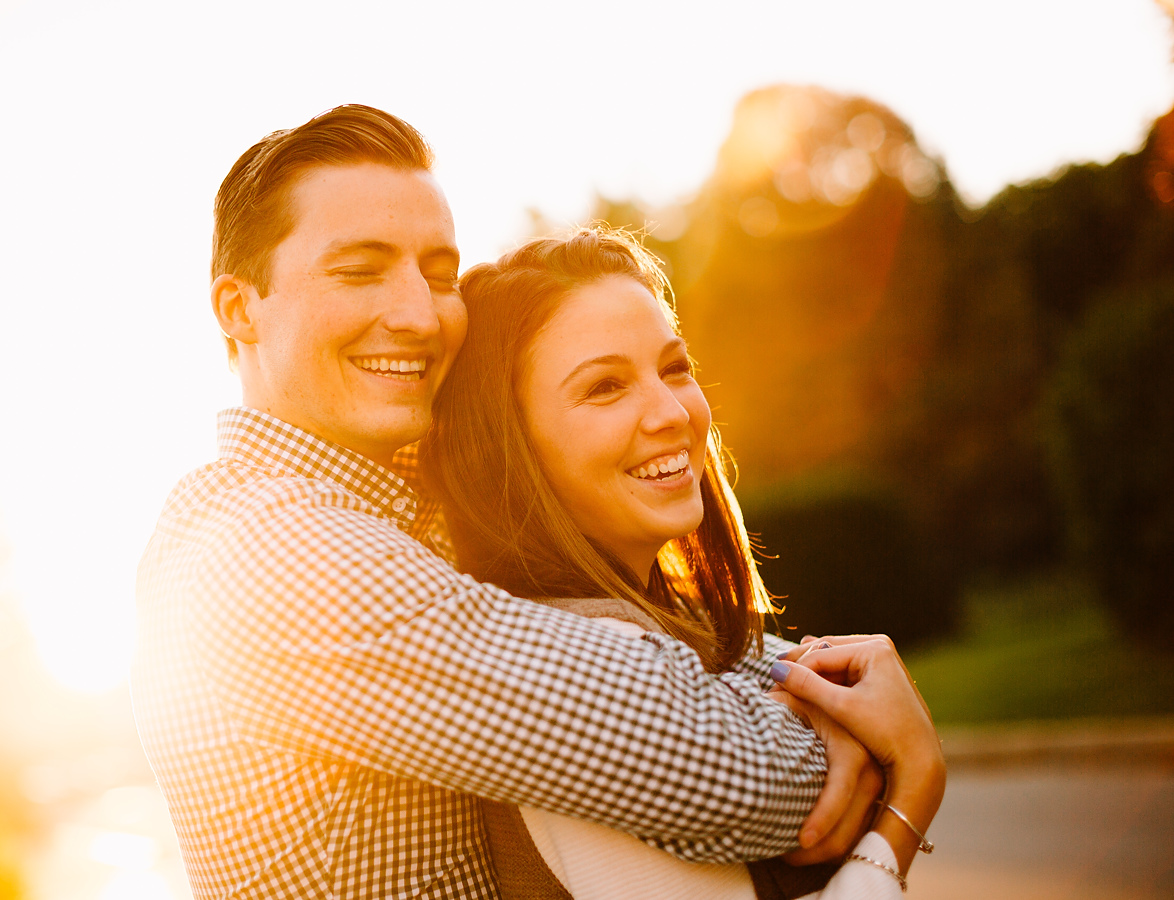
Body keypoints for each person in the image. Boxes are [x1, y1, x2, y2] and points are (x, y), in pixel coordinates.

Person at [131, 105, 881, 900]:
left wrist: (819, 668)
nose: (419, 314)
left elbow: (599, 610)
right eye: (360, 270)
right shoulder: (268, 552)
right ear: (239, 308)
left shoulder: (381, 514)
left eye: (440, 274)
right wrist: (865, 727)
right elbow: (715, 768)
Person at [421, 228, 946, 898]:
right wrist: (908, 803)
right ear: (504, 446)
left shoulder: (668, 628)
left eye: (674, 368)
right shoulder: (588, 658)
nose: (672, 412)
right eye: (606, 387)